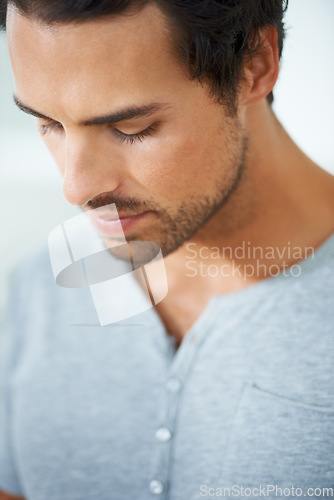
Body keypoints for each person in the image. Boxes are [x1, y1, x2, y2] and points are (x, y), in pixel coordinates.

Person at [0, 0, 334, 498]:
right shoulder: (39, 291)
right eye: (49, 123)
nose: (76, 188)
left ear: (255, 65)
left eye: (130, 129)